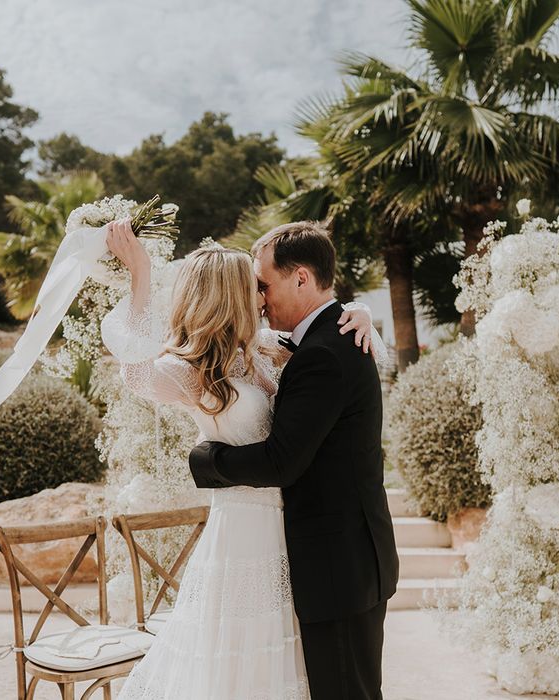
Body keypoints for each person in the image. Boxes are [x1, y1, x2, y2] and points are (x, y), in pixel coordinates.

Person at [100, 218, 378, 699]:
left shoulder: (263, 350)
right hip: (242, 535)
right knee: (237, 664)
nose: (263, 297)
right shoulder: (188, 371)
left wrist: (358, 309)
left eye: (263, 286)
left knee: (284, 664)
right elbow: (136, 375)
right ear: (230, 295)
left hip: (290, 540)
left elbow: (331, 344)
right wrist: (140, 275)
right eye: (255, 288)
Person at [189, 221, 399, 700]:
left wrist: (207, 460)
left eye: (264, 285)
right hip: (349, 561)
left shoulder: (324, 352)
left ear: (301, 278)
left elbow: (282, 462)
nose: (259, 299)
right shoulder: (329, 337)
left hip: (338, 568)